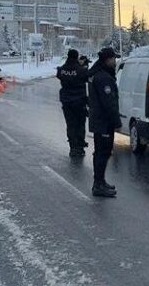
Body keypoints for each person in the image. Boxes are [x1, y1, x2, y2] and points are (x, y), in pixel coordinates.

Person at [88, 47, 121, 197]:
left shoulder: (99, 74)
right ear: (108, 59)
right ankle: (98, 184)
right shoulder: (104, 78)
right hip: (103, 122)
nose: (115, 61)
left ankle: (100, 181)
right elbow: (109, 103)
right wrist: (116, 121)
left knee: (102, 152)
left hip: (99, 121)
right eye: (114, 58)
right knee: (103, 153)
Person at [56, 49, 89, 157]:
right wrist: (83, 65)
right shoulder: (80, 70)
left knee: (70, 124)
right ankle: (79, 147)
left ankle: (73, 147)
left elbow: (59, 74)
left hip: (66, 101)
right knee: (80, 124)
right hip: (79, 100)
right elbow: (86, 76)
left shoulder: (62, 70)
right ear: (76, 57)